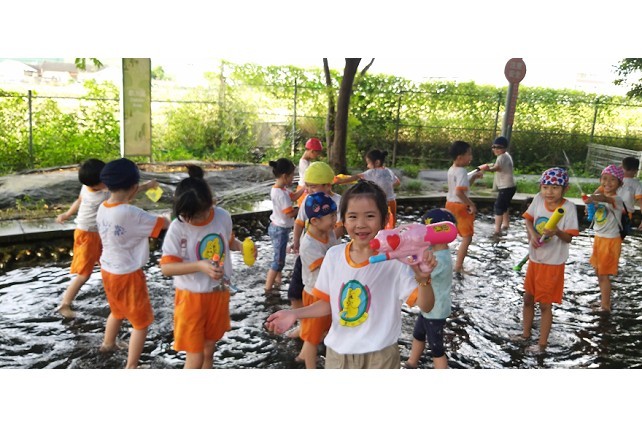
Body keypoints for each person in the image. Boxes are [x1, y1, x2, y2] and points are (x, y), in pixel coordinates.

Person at [266, 180, 437, 369]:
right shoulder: (334, 255)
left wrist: (424, 280)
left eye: (370, 216)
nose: (360, 224)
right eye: (353, 216)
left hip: (381, 356)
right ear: (344, 220)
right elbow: (328, 304)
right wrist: (294, 314)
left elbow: (426, 306)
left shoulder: (395, 261)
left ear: (384, 219)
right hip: (339, 356)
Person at [160, 165, 245, 369]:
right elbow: (167, 268)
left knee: (209, 347)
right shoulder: (178, 227)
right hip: (191, 297)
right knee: (195, 354)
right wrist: (199, 265)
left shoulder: (222, 217)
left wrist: (242, 247)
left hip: (218, 292)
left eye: (201, 214)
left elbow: (228, 241)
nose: (197, 220)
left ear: (211, 203)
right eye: (191, 216)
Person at [55, 158, 158, 319]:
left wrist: (67, 214)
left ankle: (114, 293)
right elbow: (126, 192)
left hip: (97, 232)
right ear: (97, 184)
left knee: (109, 264)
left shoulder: (87, 188)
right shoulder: (102, 195)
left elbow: (79, 200)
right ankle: (65, 304)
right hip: (87, 235)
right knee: (84, 273)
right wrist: (147, 186)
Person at [96, 158, 170, 368]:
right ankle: (132, 366)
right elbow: (163, 224)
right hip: (127, 274)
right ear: (134, 187)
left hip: (108, 270)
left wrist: (143, 187)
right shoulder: (132, 213)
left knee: (117, 311)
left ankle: (108, 344)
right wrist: (167, 216)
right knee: (141, 323)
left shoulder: (103, 207)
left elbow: (127, 203)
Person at [515, 167, 579, 353]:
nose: (549, 192)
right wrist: (532, 234)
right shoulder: (538, 199)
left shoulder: (568, 208)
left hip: (552, 264)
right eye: (545, 187)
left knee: (545, 305)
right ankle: (525, 334)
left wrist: (557, 231)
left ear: (565, 189)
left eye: (555, 188)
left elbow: (569, 238)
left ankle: (542, 345)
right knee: (528, 298)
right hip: (535, 260)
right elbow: (528, 219)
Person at [288, 161, 343, 340]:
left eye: (313, 186)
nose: (308, 190)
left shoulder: (338, 202)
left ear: (328, 185)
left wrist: (327, 239)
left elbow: (340, 227)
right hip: (309, 255)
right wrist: (296, 241)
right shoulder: (308, 201)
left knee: (325, 295)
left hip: (327, 256)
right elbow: (299, 222)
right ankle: (303, 325)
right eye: (308, 186)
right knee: (295, 291)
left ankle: (321, 328)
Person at [403, 208, 455, 369]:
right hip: (428, 307)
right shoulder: (434, 251)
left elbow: (420, 273)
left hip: (436, 310)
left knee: (436, 347)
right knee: (418, 334)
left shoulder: (440, 259)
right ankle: (412, 362)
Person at [297, 192, 341, 368]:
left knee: (330, 330)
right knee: (312, 338)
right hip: (315, 295)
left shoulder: (329, 233)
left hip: (330, 292)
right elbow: (329, 268)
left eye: (335, 215)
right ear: (315, 221)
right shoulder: (309, 245)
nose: (335, 220)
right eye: (331, 216)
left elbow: (337, 255)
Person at [586, 164, 626, 313]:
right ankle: (604, 301)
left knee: (603, 274)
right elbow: (599, 201)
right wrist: (591, 206)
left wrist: (592, 197)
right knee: (599, 272)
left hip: (610, 241)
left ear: (619, 184)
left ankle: (605, 306)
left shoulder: (616, 199)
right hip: (599, 239)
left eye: (612, 180)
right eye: (604, 179)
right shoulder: (601, 197)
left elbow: (604, 198)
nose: (607, 182)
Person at [334, 149, 400, 228]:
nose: (367, 166)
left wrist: (340, 181)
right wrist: (387, 185)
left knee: (379, 220)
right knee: (392, 221)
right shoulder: (389, 171)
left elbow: (356, 177)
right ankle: (392, 233)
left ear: (377, 162)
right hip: (392, 201)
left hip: (380, 202)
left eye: (368, 163)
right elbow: (397, 182)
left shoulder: (371, 172)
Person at [265, 158, 305, 292]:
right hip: (279, 230)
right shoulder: (281, 194)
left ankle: (278, 283)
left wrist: (305, 188)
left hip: (277, 227)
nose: (293, 178)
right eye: (292, 175)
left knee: (279, 257)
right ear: (284, 176)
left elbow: (293, 197)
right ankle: (267, 289)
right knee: (278, 262)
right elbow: (289, 213)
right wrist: (302, 209)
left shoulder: (280, 189)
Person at [445, 140, 483, 273]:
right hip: (460, 207)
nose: (471, 157)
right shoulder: (461, 171)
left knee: (447, 234)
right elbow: (459, 193)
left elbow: (463, 187)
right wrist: (471, 204)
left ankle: (442, 259)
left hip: (449, 204)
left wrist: (473, 178)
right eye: (469, 154)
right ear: (460, 157)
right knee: (467, 237)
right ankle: (458, 266)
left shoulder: (452, 169)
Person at [479, 136, 516, 235]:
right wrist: (488, 166)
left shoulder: (501, 157)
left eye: (499, 147)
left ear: (505, 148)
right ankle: (506, 224)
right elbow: (497, 166)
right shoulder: (506, 156)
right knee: (505, 205)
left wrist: (486, 169)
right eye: (494, 147)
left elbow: (496, 168)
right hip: (510, 186)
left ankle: (497, 230)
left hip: (506, 187)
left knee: (499, 207)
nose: (496, 149)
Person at [296, 138, 324, 207]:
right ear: (312, 151)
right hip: (304, 190)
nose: (317, 155)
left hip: (306, 189)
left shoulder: (308, 162)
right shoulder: (303, 163)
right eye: (317, 153)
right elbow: (310, 179)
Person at [619, 156, 642, 229]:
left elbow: (598, 192)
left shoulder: (614, 180)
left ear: (621, 167)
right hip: (624, 217)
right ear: (636, 171)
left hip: (608, 213)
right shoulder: (637, 184)